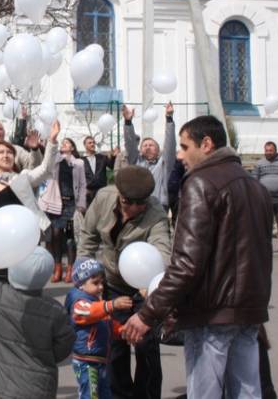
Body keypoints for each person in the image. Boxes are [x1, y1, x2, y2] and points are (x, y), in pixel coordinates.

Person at [124, 115, 273, 399]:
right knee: (247, 392)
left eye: (184, 146)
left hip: (211, 314)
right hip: (248, 311)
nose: (179, 155)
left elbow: (187, 264)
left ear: (206, 144)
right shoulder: (255, 187)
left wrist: (148, 313)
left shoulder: (200, 183)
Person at [0, 215, 75, 399]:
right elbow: (64, 344)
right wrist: (44, 355)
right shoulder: (55, 311)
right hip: (39, 386)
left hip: (1, 384)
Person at [77, 166, 171, 399]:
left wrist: (155, 284)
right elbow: (87, 237)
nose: (135, 209)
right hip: (111, 282)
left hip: (143, 288)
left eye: (141, 204)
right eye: (129, 203)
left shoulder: (155, 212)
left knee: (145, 345)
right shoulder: (103, 198)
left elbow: (162, 250)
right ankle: (120, 394)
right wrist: (84, 279)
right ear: (119, 195)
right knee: (114, 345)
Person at [0, 121, 60, 231]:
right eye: (1, 152)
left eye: (9, 152)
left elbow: (45, 169)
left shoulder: (22, 178)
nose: (5, 155)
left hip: (21, 234)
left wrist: (52, 141)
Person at [65, 258, 132, 399]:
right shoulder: (79, 302)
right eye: (95, 283)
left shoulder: (96, 301)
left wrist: (122, 331)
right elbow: (89, 312)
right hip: (86, 361)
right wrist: (111, 305)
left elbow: (107, 324)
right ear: (81, 284)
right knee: (90, 395)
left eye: (102, 282)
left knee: (105, 393)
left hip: (100, 360)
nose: (101, 287)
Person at [39, 137, 86, 283]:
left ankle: (71, 268)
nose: (64, 144)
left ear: (72, 148)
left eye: (67, 143)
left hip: (71, 202)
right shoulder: (56, 160)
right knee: (55, 235)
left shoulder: (78, 163)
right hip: (56, 203)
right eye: (63, 143)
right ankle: (58, 266)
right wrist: (46, 142)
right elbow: (48, 157)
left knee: (70, 237)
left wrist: (82, 204)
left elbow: (83, 184)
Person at [120, 102, 176, 209]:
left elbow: (170, 144)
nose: (147, 147)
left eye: (151, 145)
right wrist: (128, 122)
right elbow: (130, 143)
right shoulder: (136, 161)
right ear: (140, 150)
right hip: (138, 205)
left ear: (158, 150)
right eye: (144, 145)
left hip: (159, 205)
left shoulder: (164, 163)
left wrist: (169, 119)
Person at [252, 141, 278, 257]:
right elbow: (254, 180)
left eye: (270, 150)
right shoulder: (259, 164)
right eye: (266, 150)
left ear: (275, 150)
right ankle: (265, 248)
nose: (268, 152)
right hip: (264, 199)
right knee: (265, 224)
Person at [82, 136, 116, 206]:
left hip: (102, 190)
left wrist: (113, 157)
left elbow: (111, 166)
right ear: (85, 145)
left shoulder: (102, 157)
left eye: (93, 142)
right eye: (90, 143)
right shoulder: (81, 160)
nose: (92, 144)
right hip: (88, 192)